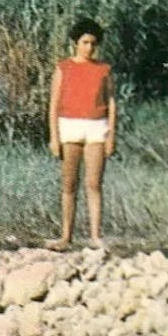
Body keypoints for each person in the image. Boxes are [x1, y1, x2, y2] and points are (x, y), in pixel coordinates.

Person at [46, 17, 116, 250]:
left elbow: (111, 102)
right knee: (69, 183)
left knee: (94, 183)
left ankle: (95, 236)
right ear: (76, 42)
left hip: (96, 127)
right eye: (85, 42)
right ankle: (66, 236)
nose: (89, 47)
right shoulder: (63, 67)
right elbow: (54, 103)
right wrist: (54, 136)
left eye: (93, 43)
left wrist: (111, 135)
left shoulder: (104, 69)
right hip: (69, 126)